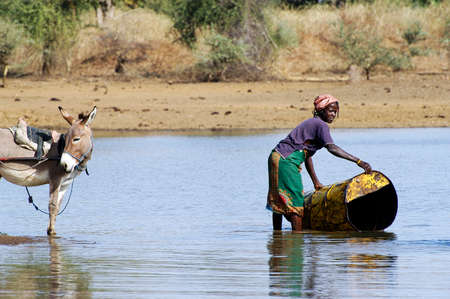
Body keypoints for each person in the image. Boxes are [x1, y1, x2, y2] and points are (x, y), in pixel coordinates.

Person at [266, 94, 372, 231]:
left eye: (335, 112)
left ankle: (277, 239)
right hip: (287, 160)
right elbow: (332, 147)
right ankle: (297, 241)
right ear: (321, 110)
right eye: (331, 111)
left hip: (277, 157)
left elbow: (307, 156)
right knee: (296, 201)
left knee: (280, 199)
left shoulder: (313, 123)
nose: (333, 114)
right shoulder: (320, 125)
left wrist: (315, 181)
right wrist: (358, 161)